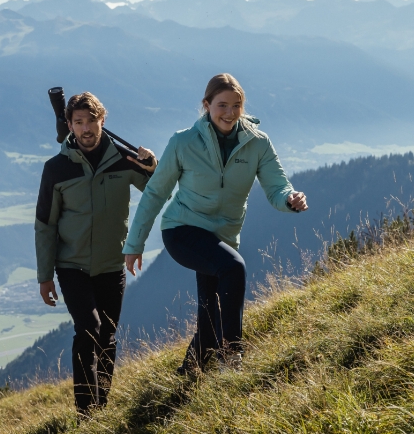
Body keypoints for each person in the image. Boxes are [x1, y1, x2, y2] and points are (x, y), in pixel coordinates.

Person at [123, 73, 307, 374]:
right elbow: (156, 193)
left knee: (210, 315)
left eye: (237, 106)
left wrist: (290, 199)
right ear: (206, 105)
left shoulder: (257, 143)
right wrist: (135, 244)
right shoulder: (183, 142)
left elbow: (277, 187)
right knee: (233, 268)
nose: (230, 113)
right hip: (182, 230)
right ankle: (232, 357)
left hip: (222, 235)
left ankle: (187, 375)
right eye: (222, 105)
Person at [34, 91, 157, 416]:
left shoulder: (123, 159)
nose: (86, 128)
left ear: (102, 121)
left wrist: (152, 166)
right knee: (89, 327)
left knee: (108, 336)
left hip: (110, 264)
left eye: (91, 121)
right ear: (69, 125)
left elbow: (158, 190)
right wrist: (45, 276)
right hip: (71, 265)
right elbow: (45, 225)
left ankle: (101, 405)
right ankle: (86, 412)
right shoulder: (57, 169)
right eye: (78, 122)